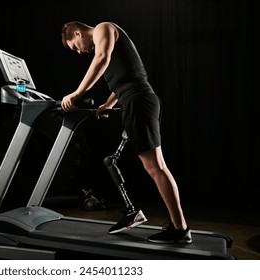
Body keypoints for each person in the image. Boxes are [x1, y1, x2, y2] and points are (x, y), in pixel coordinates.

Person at [60, 21, 192, 244]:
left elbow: (101, 60)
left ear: (77, 32)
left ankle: (180, 229)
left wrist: (76, 93)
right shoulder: (105, 40)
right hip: (134, 99)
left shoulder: (103, 28)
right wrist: (108, 105)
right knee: (154, 166)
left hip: (138, 100)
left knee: (156, 167)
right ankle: (178, 227)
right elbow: (123, 80)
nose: (80, 51)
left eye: (76, 46)